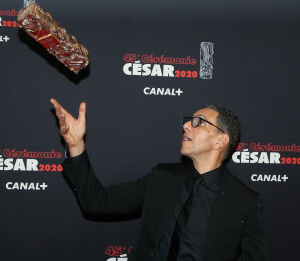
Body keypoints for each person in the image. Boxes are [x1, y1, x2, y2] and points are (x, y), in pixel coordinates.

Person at [50, 98, 268, 261]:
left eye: (198, 122)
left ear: (221, 140)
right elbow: (97, 203)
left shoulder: (244, 202)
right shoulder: (162, 177)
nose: (186, 126)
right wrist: (76, 146)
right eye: (187, 121)